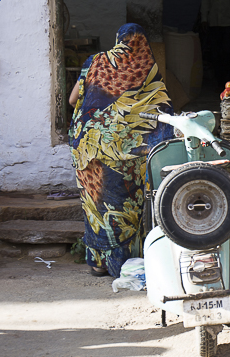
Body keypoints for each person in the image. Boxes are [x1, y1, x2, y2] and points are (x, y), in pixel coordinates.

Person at [68, 23, 174, 277]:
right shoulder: (148, 70)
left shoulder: (95, 61)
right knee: (126, 208)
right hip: (128, 156)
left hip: (88, 149)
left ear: (118, 40)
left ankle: (97, 262)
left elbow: (73, 100)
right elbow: (163, 114)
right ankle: (124, 261)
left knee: (94, 204)